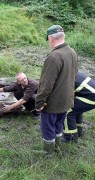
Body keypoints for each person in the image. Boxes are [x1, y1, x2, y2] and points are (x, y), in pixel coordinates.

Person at [35, 25, 77, 155]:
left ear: (51, 38)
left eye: (48, 39)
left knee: (48, 126)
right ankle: (56, 147)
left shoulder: (54, 56)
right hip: (66, 99)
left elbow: (47, 84)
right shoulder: (72, 52)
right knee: (59, 124)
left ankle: (48, 153)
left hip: (52, 102)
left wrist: (39, 102)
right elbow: (74, 75)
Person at [62, 72, 95, 143]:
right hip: (89, 95)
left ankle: (70, 138)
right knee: (77, 110)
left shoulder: (65, 77)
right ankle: (78, 131)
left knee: (68, 111)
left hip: (91, 97)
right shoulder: (73, 72)